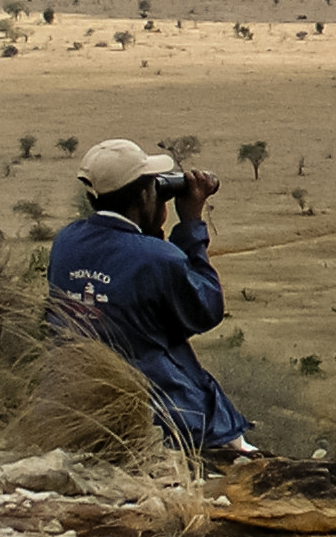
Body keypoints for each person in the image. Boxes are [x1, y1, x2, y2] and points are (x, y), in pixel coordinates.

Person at [49, 139, 260, 461]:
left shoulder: (67, 241)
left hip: (74, 403)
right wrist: (190, 223)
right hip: (168, 416)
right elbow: (205, 309)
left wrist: (150, 226)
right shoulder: (158, 259)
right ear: (145, 195)